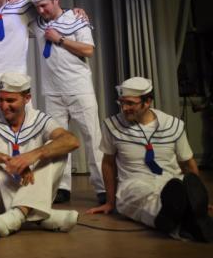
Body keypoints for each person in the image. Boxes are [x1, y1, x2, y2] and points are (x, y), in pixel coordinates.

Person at [87, 77, 213, 242]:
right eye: (122, 102)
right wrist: (110, 202)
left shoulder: (173, 125)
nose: (124, 108)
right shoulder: (112, 126)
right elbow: (108, 163)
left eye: (130, 103)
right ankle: (184, 219)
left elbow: (188, 163)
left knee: (177, 188)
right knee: (141, 197)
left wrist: (199, 199)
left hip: (172, 182)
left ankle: (183, 216)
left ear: (147, 102)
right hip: (134, 184)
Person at [0, 72, 80, 237]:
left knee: (57, 149)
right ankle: (37, 215)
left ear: (27, 98)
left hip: (32, 186)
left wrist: (34, 155)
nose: (3, 106)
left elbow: (72, 141)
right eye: (0, 99)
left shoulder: (39, 119)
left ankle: (18, 215)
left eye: (10, 100)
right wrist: (5, 159)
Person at [27, 0, 105, 204]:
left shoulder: (77, 19)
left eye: (44, 5)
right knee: (57, 141)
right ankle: (62, 186)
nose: (41, 10)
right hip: (53, 92)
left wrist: (60, 39)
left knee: (92, 138)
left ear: (56, 0)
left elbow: (88, 50)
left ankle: (102, 188)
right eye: (37, 6)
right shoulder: (37, 23)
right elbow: (17, 10)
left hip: (79, 88)